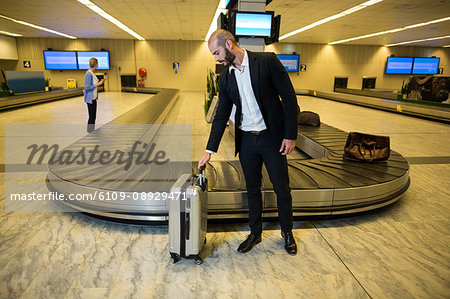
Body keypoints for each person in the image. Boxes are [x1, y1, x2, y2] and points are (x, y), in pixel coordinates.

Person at [198, 29, 298, 255]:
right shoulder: (225, 79)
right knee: (252, 189)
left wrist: (290, 134)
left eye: (216, 53)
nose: (216, 59)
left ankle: (287, 232)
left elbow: (289, 97)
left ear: (229, 44)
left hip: (272, 138)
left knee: (281, 187)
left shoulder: (267, 61)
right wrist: (209, 150)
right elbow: (221, 115)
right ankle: (255, 232)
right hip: (247, 142)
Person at [84, 58, 105, 133]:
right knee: (91, 116)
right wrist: (98, 84)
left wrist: (99, 83)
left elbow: (93, 84)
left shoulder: (92, 73)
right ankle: (90, 131)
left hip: (94, 98)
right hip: (90, 99)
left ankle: (92, 130)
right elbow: (87, 87)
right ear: (95, 64)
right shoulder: (88, 74)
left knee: (93, 116)